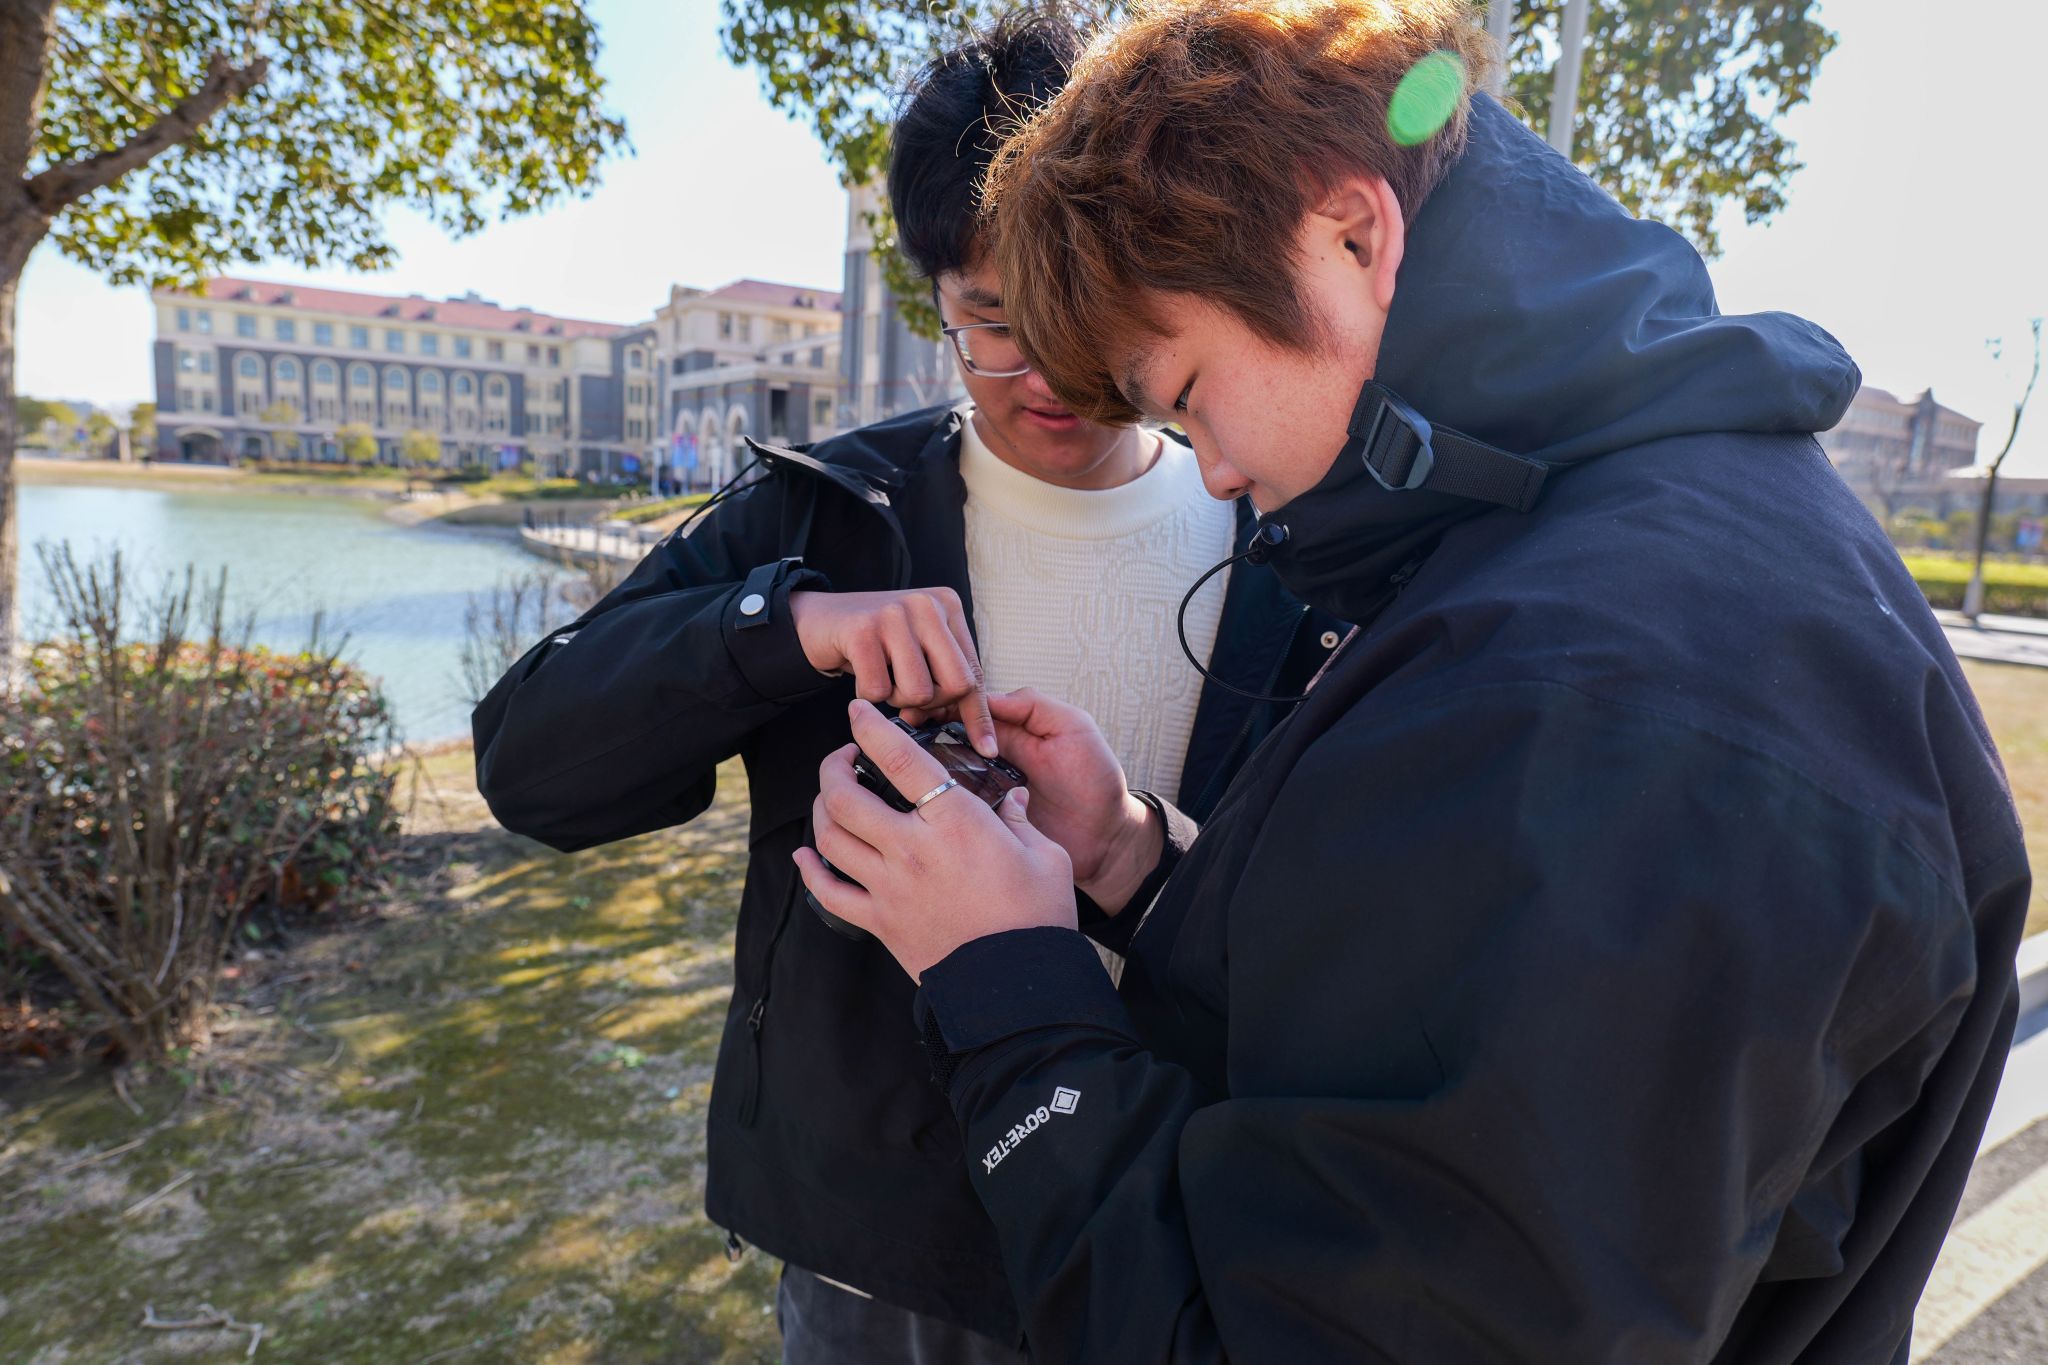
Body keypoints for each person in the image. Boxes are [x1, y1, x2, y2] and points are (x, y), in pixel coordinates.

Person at [796, 2, 2034, 1361]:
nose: (1214, 471)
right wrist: (1135, 863)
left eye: (1190, 392)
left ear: (1353, 236)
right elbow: (1407, 1015)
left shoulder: (1621, 712)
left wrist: (1002, 980)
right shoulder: (1592, 540)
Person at [469, 13, 1341, 1361]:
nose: (1049, 374)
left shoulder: (1281, 524)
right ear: (932, 296)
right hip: (888, 1242)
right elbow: (530, 766)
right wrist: (784, 627)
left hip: (1182, 1210)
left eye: (1083, 314)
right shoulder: (822, 512)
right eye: (993, 324)